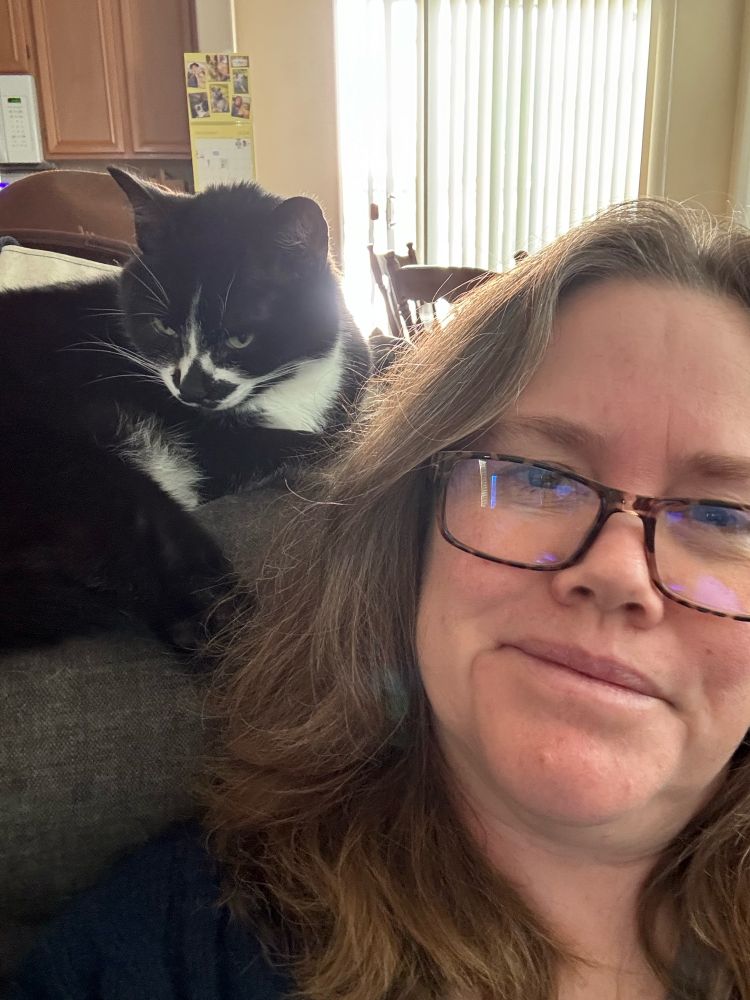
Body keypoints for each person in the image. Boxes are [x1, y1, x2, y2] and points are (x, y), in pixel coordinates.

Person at [10, 198, 750, 1000]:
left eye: (725, 517)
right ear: (411, 522)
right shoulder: (180, 943)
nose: (618, 573)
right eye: (539, 477)